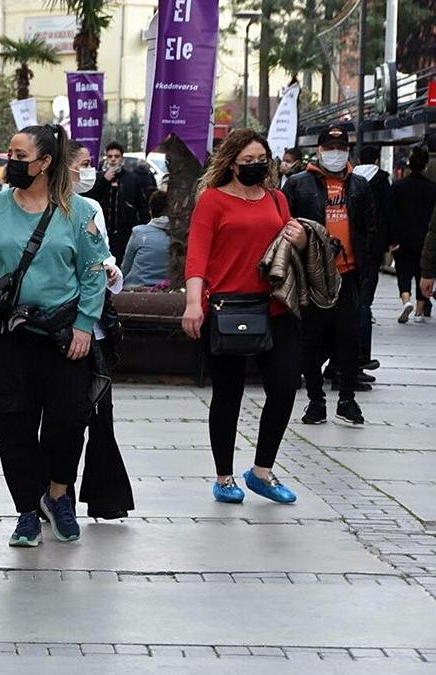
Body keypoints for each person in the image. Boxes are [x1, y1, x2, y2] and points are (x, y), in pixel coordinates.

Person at [0, 124, 109, 547]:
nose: (10, 163)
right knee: (13, 423)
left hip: (62, 336)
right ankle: (26, 510)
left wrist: (84, 324)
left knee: (68, 421)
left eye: (20, 156)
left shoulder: (81, 213)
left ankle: (58, 495)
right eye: (9, 153)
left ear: (45, 163)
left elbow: (94, 274)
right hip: (8, 335)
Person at [183, 129, 305, 505]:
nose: (256, 167)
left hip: (273, 306)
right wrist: (192, 303)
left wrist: (299, 238)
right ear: (232, 164)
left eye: (261, 160)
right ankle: (224, 477)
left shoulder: (277, 198)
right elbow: (197, 255)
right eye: (247, 161)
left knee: (285, 387)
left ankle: (262, 471)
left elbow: (287, 245)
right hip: (226, 309)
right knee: (228, 394)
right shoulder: (213, 201)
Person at [283, 125, 375, 426]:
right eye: (330, 147)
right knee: (311, 340)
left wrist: (367, 268)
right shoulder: (298, 185)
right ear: (319, 151)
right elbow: (284, 226)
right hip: (313, 276)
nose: (336, 153)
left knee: (349, 339)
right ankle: (315, 401)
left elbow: (370, 228)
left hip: (348, 275)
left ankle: (347, 400)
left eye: (341, 147)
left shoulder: (360, 185)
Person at [67, 140, 133, 521]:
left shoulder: (91, 208)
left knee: (100, 413)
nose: (90, 170)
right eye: (84, 164)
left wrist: (111, 270)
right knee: (62, 418)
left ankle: (106, 496)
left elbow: (104, 255)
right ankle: (54, 492)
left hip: (95, 333)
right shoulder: (25, 206)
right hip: (56, 328)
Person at [352, 144, 391, 371]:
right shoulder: (381, 180)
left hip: (349, 246)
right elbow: (388, 209)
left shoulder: (351, 179)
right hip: (373, 244)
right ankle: (358, 357)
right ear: (376, 159)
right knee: (363, 300)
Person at [85, 141, 151, 266]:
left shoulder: (132, 179)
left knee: (122, 264)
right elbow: (90, 199)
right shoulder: (99, 178)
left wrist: (145, 227)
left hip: (124, 233)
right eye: (110, 156)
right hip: (102, 231)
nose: (113, 159)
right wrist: (104, 180)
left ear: (121, 158)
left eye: (116, 156)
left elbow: (141, 205)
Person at [390, 146, 436, 324]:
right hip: (424, 237)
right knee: (421, 272)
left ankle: (405, 300)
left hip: (403, 237)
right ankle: (419, 310)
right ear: (425, 165)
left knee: (403, 271)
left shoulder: (398, 186)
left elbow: (392, 213)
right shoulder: (432, 188)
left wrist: (392, 238)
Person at [121, 190, 172, 288]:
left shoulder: (139, 232)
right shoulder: (178, 237)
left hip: (136, 288)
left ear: (150, 211)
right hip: (167, 289)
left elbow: (126, 267)